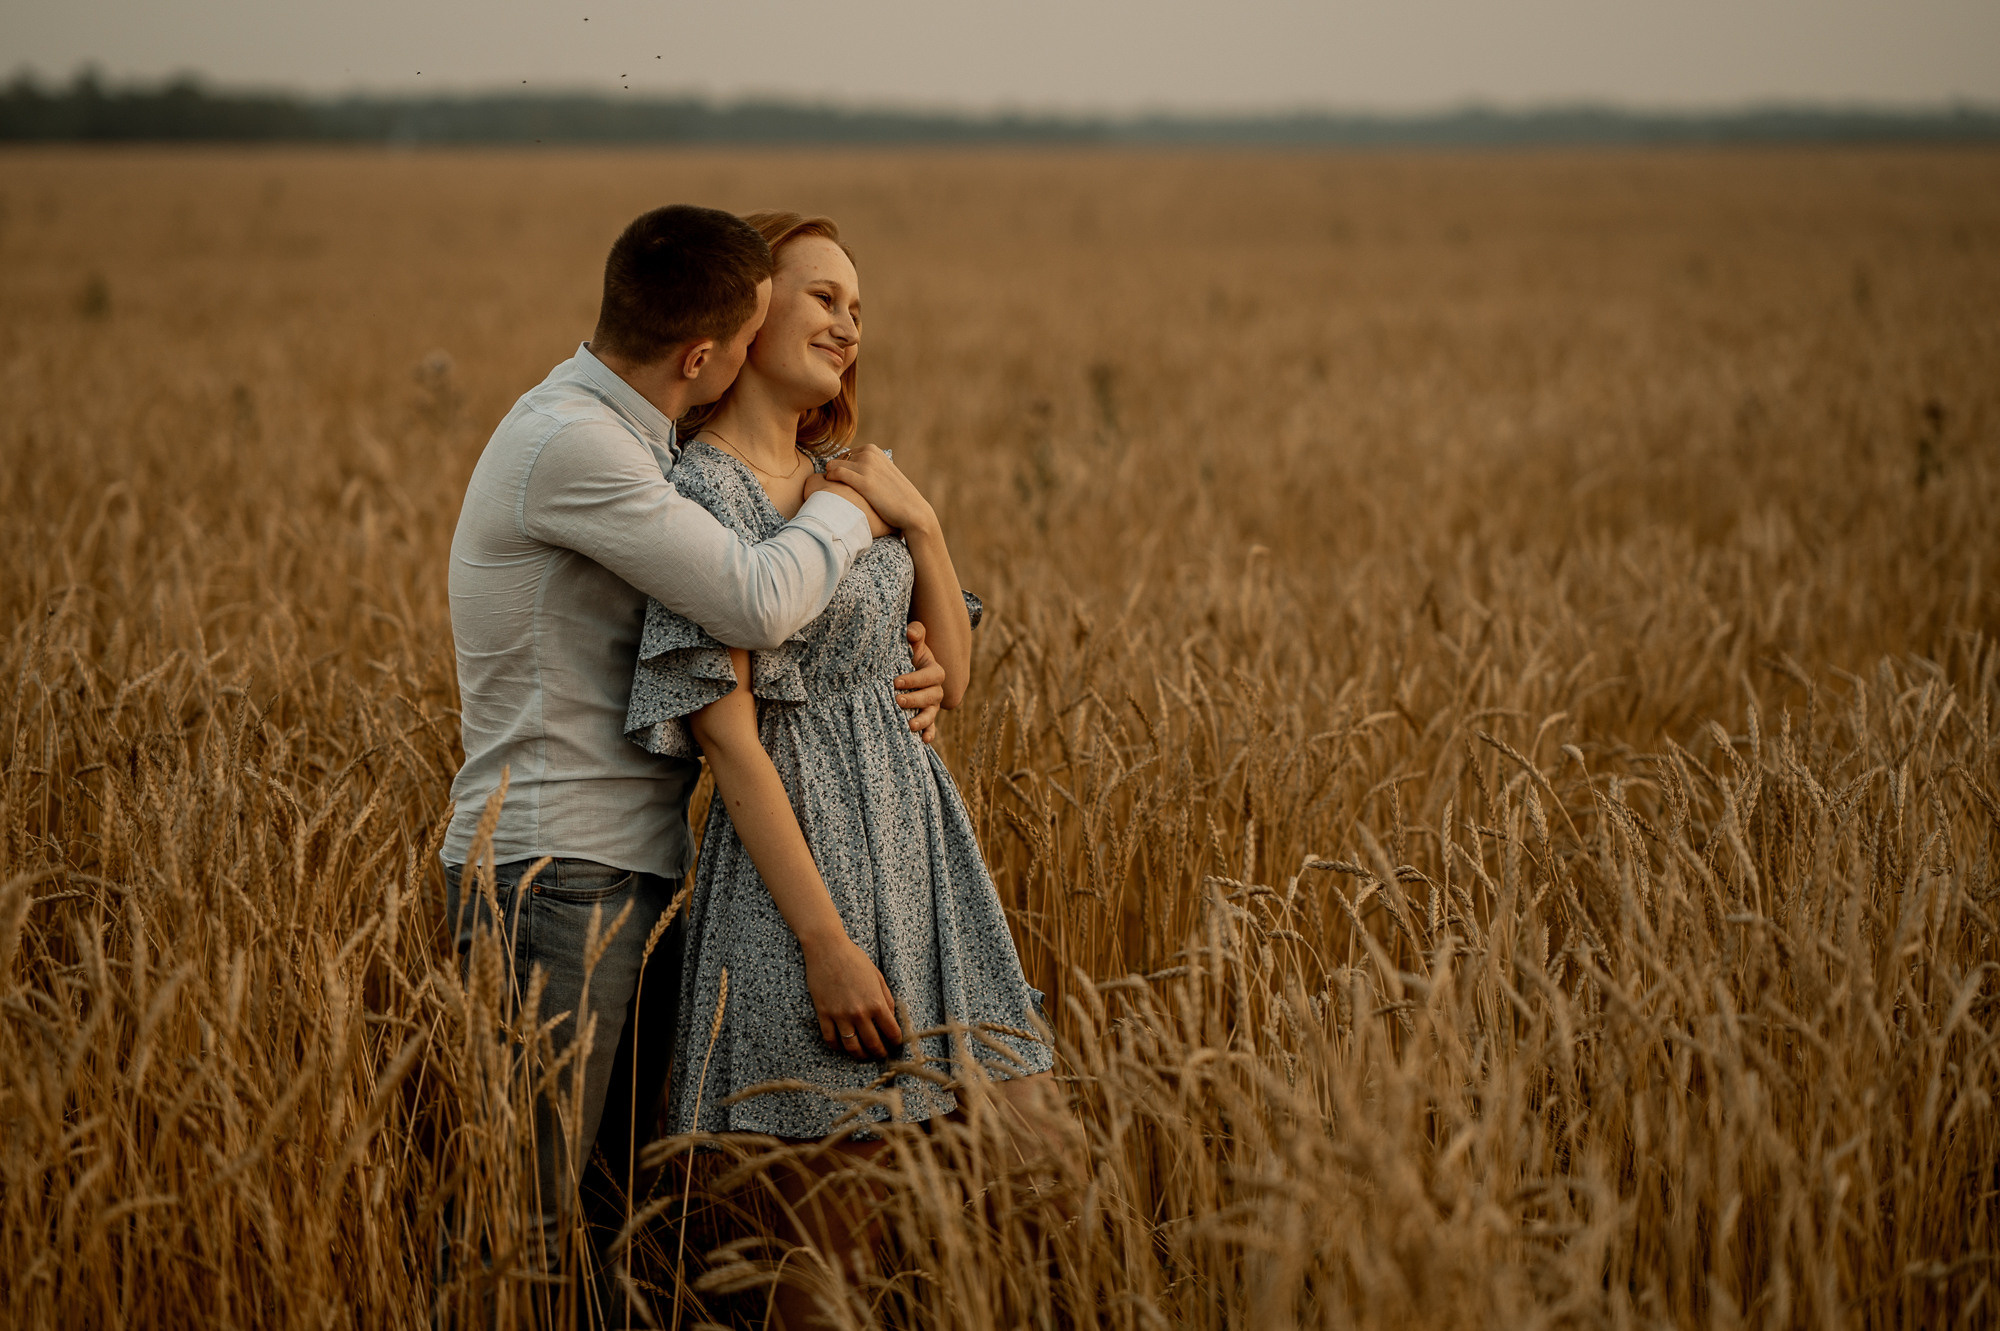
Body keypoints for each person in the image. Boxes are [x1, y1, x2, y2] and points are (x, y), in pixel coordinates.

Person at [437, 203, 952, 1325]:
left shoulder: (636, 440)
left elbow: (788, 613)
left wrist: (911, 628)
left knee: (615, 1220)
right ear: (704, 353)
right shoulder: (576, 445)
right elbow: (754, 597)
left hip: (621, 874)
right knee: (520, 1226)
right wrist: (859, 505)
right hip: (548, 874)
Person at [623, 213, 1072, 1324]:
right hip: (799, 873)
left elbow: (949, 677)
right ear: (747, 308)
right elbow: (725, 738)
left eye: (857, 308)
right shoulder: (700, 496)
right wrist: (824, 945)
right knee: (823, 1233)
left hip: (924, 854)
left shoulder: (852, 480)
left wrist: (919, 520)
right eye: (821, 295)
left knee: (1037, 1154)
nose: (847, 321)